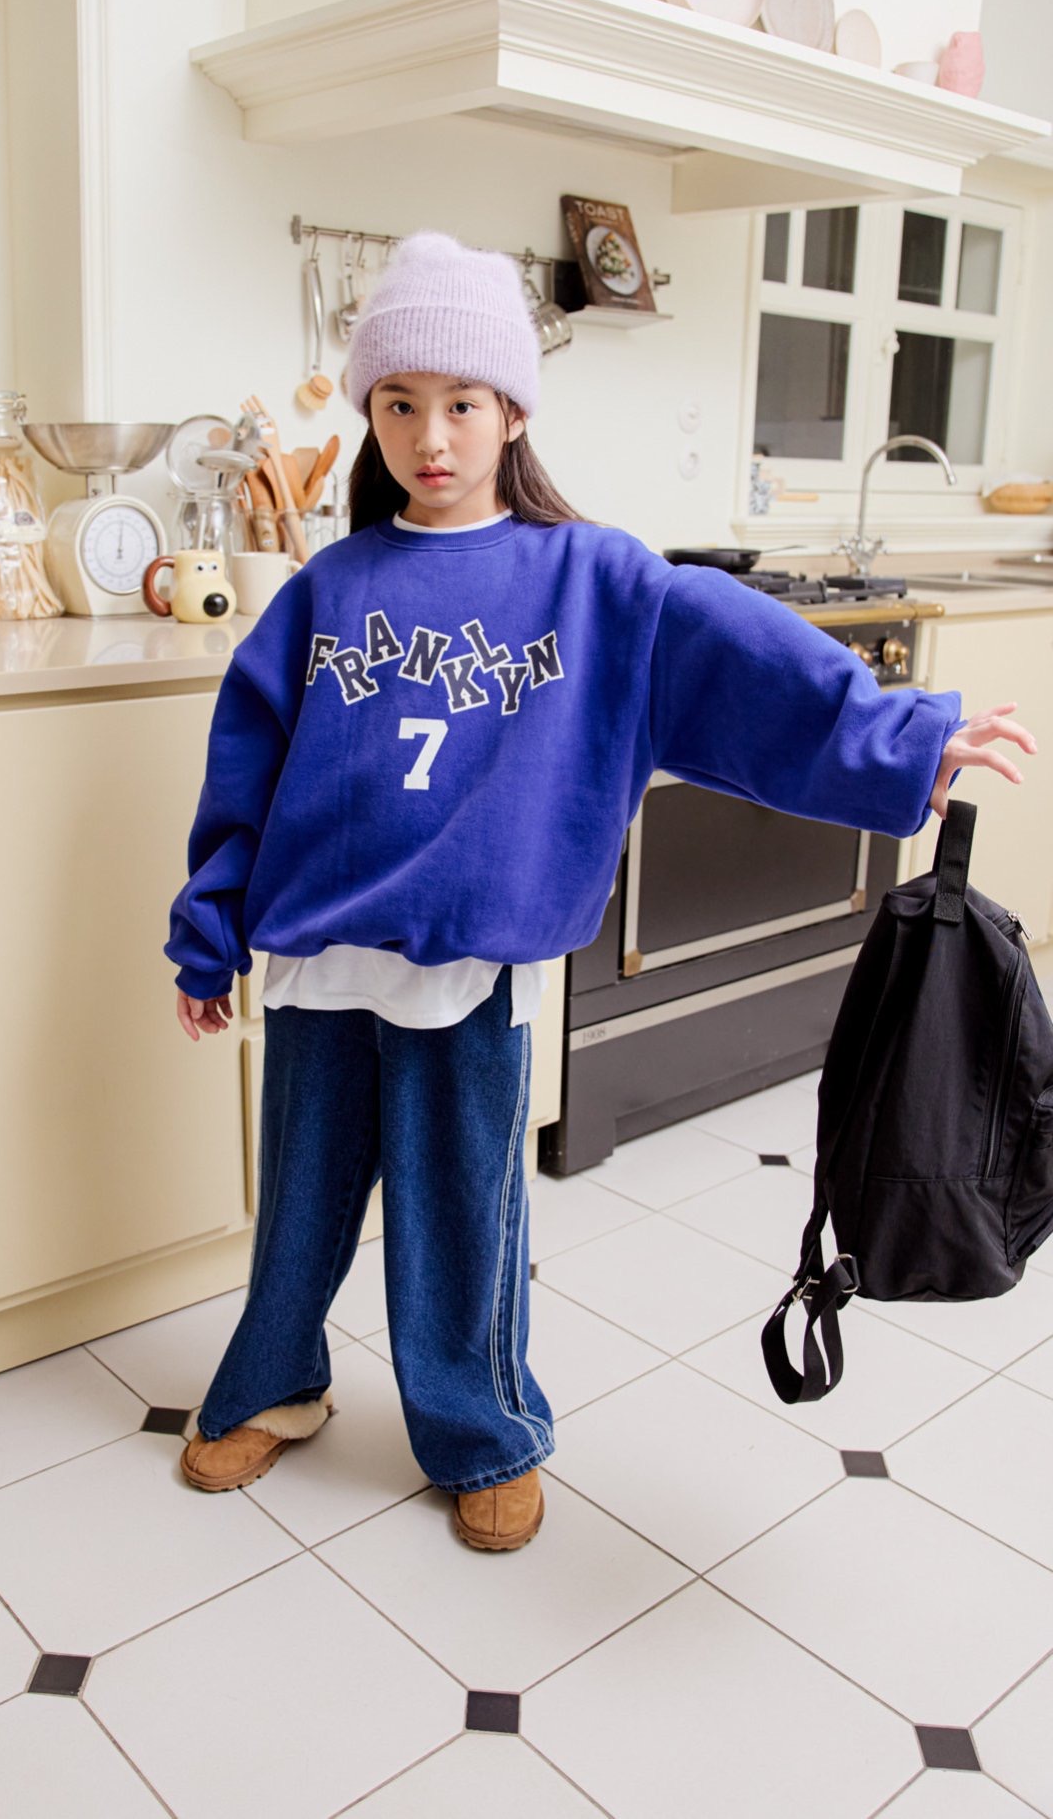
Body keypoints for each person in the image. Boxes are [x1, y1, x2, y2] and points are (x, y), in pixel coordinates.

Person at [163, 231, 1036, 1553]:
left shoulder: (593, 580)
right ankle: (275, 1384)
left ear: (513, 412)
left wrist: (903, 738)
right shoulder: (327, 588)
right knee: (299, 1204)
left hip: (474, 969)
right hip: (319, 959)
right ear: (371, 416)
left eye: (463, 404)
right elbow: (247, 770)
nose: (431, 437)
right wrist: (210, 937)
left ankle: (482, 1431)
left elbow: (747, 655)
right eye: (400, 404)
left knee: (461, 1216)